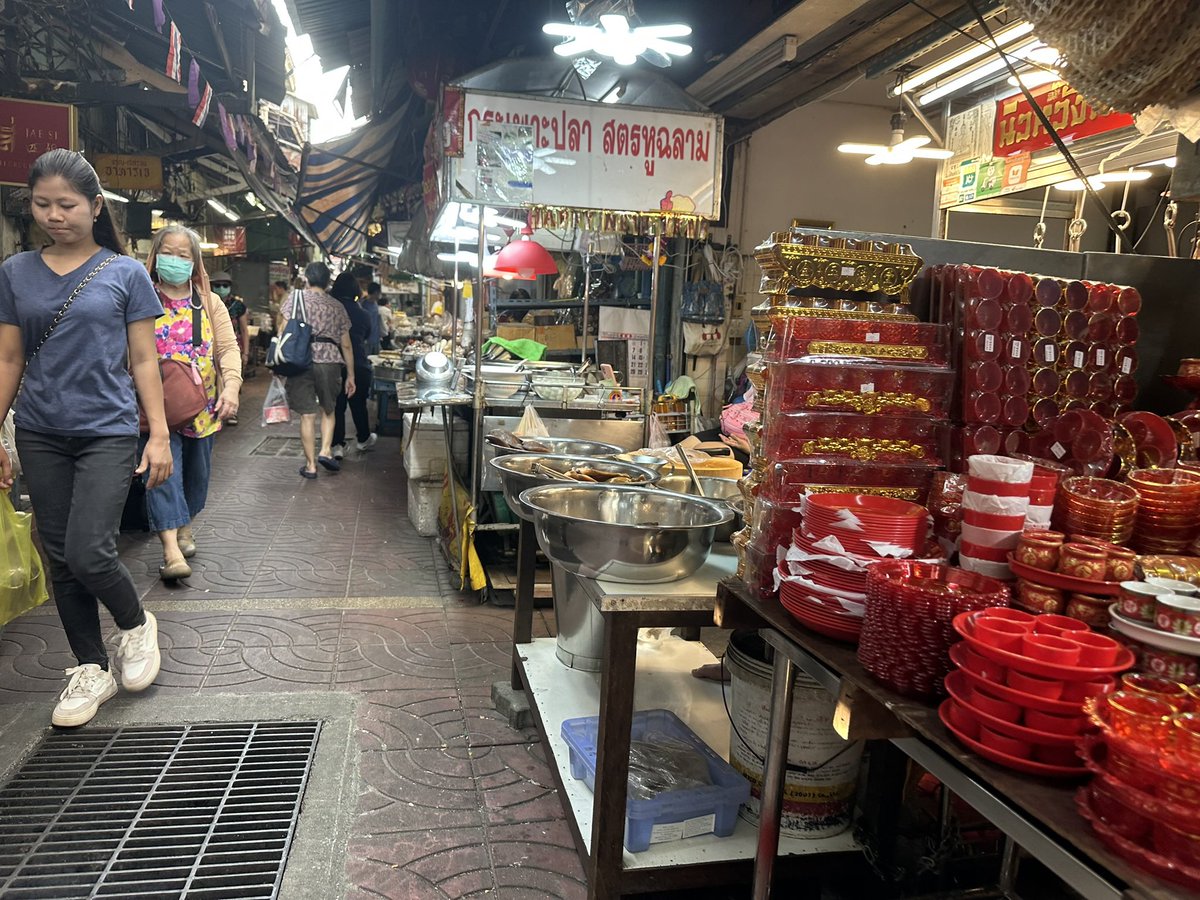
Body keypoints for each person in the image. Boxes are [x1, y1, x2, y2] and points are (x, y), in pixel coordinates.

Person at [0, 148, 170, 727]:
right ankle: (91, 667)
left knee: (88, 550)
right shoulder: (15, 272)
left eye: (67, 204)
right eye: (42, 204)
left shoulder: (125, 273)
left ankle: (135, 624)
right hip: (40, 431)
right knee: (61, 559)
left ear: (96, 207)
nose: (54, 215)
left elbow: (143, 361)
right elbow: (9, 359)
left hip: (107, 431)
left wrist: (159, 435)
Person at [142, 227, 243, 581]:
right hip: (155, 409)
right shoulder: (141, 298)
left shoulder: (210, 303)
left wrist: (232, 387)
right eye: (168, 253)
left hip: (203, 409)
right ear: (155, 256)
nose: (175, 260)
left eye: (183, 255)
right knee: (162, 473)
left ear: (195, 262)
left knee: (197, 477)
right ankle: (171, 551)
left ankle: (184, 526)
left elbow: (228, 349)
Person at [281, 262, 355, 478]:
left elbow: (283, 331)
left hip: (300, 360)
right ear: (327, 282)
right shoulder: (337, 306)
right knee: (329, 410)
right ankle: (325, 451)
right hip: (330, 360)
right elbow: (346, 344)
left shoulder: (295, 300)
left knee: (307, 414)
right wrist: (351, 375)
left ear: (307, 278)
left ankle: (311, 466)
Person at [328, 273, 377, 458]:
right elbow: (366, 336)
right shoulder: (363, 314)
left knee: (337, 406)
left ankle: (337, 445)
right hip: (358, 363)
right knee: (358, 404)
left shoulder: (330, 311)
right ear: (356, 290)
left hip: (332, 363)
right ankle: (363, 439)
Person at [211, 271, 250, 395]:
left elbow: (244, 330)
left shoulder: (237, 306)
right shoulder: (205, 303)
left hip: (232, 348)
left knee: (231, 382)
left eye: (225, 285)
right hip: (210, 350)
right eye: (217, 285)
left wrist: (245, 353)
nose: (221, 288)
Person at [361, 281, 383, 355]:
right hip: (367, 340)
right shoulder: (363, 305)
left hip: (376, 338)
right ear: (376, 292)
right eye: (379, 292)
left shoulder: (375, 304)